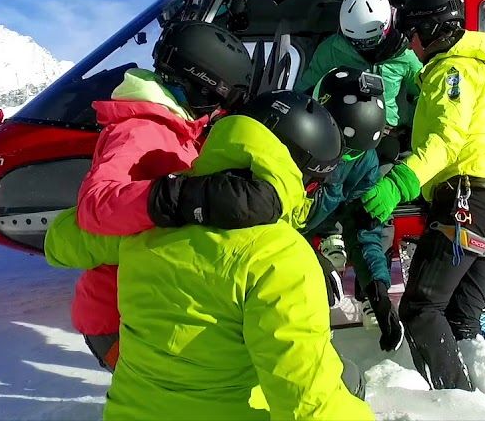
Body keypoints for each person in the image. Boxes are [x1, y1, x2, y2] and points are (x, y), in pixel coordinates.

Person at [45, 89, 374, 421]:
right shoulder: (279, 256)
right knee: (346, 378)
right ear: (300, 176)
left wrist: (166, 197)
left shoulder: (151, 221)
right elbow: (307, 404)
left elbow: (59, 242)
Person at [70, 19, 281, 371]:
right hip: (120, 313)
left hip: (147, 302)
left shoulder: (178, 130)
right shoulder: (140, 130)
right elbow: (96, 205)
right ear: (200, 87)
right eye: (219, 100)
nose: (219, 112)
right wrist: (180, 198)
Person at [360, 0, 485, 391]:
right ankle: (480, 399)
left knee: (419, 310)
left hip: (468, 200)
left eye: (413, 32)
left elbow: (447, 140)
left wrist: (399, 182)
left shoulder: (454, 72)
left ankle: (457, 405)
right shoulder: (467, 67)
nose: (410, 41)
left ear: (432, 30)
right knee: (459, 320)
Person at [300, 66, 404, 352]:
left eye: (354, 152)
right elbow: (258, 212)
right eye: (344, 148)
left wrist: (376, 287)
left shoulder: (361, 162)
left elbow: (362, 227)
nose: (344, 158)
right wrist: (303, 254)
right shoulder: (287, 141)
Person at [295, 0, 422, 165]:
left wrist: (412, 129)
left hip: (388, 135)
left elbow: (424, 93)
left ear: (386, 28)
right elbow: (307, 90)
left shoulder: (405, 55)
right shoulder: (331, 50)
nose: (365, 47)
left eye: (372, 41)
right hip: (341, 132)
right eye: (357, 42)